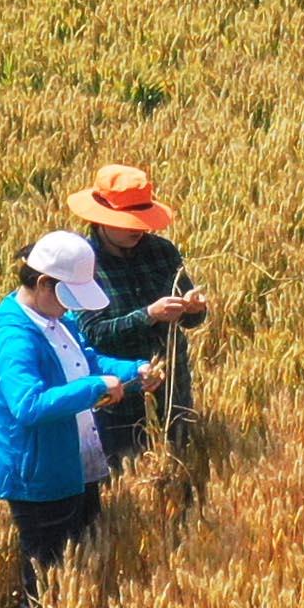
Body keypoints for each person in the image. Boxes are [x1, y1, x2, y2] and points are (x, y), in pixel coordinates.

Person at [0, 230, 159, 608]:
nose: (72, 308)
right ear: (44, 284)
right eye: (68, 297)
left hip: (76, 463)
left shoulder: (56, 320)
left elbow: (87, 362)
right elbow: (28, 406)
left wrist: (133, 371)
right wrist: (94, 389)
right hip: (39, 477)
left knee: (80, 565)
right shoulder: (13, 338)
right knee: (45, 581)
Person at [63, 163, 212, 468]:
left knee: (178, 465)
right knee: (122, 474)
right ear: (101, 220)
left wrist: (193, 308)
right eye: (127, 221)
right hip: (119, 393)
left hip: (172, 385)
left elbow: (191, 321)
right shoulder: (83, 264)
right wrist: (148, 315)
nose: (138, 228)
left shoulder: (162, 252)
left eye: (142, 221)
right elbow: (92, 335)